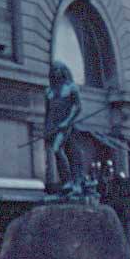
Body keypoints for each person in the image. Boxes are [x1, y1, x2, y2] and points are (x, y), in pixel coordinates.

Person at [44, 61, 82, 194]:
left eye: (59, 70)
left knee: (57, 149)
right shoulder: (49, 91)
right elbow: (48, 112)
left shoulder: (71, 88)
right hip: (54, 126)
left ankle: (69, 181)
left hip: (66, 126)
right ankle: (66, 182)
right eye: (54, 70)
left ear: (64, 71)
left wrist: (67, 121)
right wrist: (46, 129)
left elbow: (77, 107)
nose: (56, 72)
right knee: (59, 152)